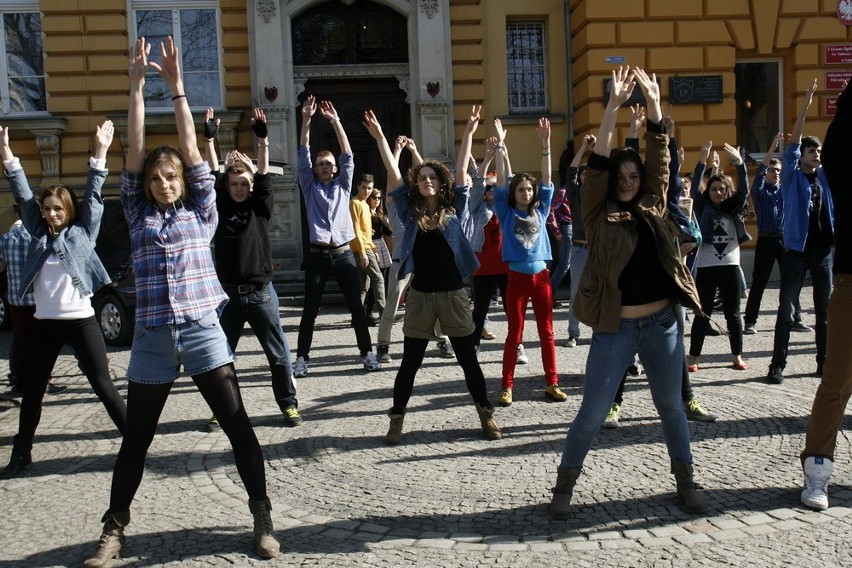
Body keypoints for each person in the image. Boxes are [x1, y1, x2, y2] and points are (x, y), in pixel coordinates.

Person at [84, 37, 279, 566]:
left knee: (238, 424)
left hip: (202, 330)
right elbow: (134, 148)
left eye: (171, 177)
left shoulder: (203, 209)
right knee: (137, 441)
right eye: (156, 178)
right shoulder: (138, 212)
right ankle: (114, 530)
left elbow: (193, 153)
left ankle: (260, 515)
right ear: (145, 185)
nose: (165, 182)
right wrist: (135, 86)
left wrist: (176, 89)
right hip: (150, 338)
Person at [550, 67, 707, 519]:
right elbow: (597, 164)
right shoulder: (597, 212)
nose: (627, 180)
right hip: (616, 327)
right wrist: (613, 109)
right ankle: (564, 486)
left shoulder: (655, 204)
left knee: (672, 408)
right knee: (593, 411)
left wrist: (655, 108)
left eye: (632, 174)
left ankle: (686, 481)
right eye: (621, 175)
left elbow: (661, 159)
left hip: (663, 325)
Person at [363, 106, 501, 444]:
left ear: (441, 182)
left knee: (468, 361)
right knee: (410, 363)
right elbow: (393, 174)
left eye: (432, 177)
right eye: (422, 177)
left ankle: (486, 415)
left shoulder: (455, 208)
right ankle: (396, 420)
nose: (427, 180)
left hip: (454, 296)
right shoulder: (409, 213)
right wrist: (381, 137)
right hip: (421, 297)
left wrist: (468, 133)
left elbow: (465, 170)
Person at [0, 121, 127, 480]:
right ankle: (21, 454)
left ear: (68, 209)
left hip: (81, 321)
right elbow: (23, 194)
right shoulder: (37, 233)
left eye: (58, 208)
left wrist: (100, 152)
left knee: (103, 385)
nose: (51, 213)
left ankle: (134, 444)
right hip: (45, 325)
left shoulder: (82, 231)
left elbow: (96, 194)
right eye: (47, 209)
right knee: (34, 392)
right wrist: (7, 155)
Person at [204, 108, 302, 428]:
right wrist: (210, 138)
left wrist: (262, 140)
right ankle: (223, 410)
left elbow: (261, 175)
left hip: (260, 293)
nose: (239, 188)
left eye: (243, 183)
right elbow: (211, 172)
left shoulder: (260, 206)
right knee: (222, 358)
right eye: (234, 183)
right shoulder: (221, 204)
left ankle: (288, 405)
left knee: (277, 356)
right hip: (229, 294)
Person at [294, 95, 381, 377]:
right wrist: (306, 120)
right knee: (310, 310)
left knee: (356, 307)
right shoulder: (309, 185)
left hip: (343, 254)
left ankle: (367, 354)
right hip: (318, 255)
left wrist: (336, 122)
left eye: (328, 164)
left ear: (335, 168)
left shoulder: (344, 185)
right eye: (320, 164)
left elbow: (348, 155)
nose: (324, 167)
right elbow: (302, 155)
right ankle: (302, 358)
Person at [798, 77, 851, 510]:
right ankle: (817, 473)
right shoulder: (844, 170)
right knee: (836, 382)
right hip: (851, 281)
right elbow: (837, 148)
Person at [492, 117, 567, 406]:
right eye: (521, 189)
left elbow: (548, 178)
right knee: (515, 333)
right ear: (514, 193)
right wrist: (501, 144)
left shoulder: (543, 207)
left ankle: (552, 382)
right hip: (517, 280)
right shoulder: (506, 210)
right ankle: (506, 386)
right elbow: (500, 180)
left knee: (547, 332)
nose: (526, 192)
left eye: (529, 189)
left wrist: (546, 144)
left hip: (542, 278)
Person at [767, 78, 835, 384]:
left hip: (823, 253)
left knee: (824, 313)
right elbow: (792, 145)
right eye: (811, 151)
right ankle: (777, 365)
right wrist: (806, 106)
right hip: (796, 251)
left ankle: (823, 362)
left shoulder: (825, 177)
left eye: (818, 151)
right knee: (786, 310)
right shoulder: (792, 177)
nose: (816, 155)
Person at [374, 135, 455, 363]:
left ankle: (443, 340)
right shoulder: (397, 206)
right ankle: (383, 345)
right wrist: (398, 151)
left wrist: (414, 150)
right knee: (392, 302)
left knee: (436, 300)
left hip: (424, 262)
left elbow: (427, 174)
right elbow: (392, 175)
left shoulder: (421, 210)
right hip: (401, 261)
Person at [687, 142, 751, 372]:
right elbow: (694, 190)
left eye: (722, 189)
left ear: (727, 191)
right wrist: (702, 161)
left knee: (733, 314)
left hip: (730, 267)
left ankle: (737, 356)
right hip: (707, 268)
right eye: (714, 189)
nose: (718, 193)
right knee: (702, 314)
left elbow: (744, 190)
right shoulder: (703, 208)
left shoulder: (734, 208)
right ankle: (693, 359)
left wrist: (740, 164)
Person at [0, 208, 69, 397]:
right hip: (40, 298)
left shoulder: (6, 239)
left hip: (16, 299)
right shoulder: (40, 238)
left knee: (21, 340)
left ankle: (20, 381)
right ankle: (44, 381)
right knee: (42, 344)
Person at [743, 133, 807, 335]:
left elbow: (795, 169)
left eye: (778, 170)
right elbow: (761, 168)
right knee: (759, 282)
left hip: (784, 240)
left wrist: (796, 142)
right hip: (766, 240)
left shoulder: (785, 190)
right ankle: (750, 321)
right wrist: (772, 147)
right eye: (772, 170)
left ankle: (795, 318)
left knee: (791, 280)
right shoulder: (761, 192)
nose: (775, 173)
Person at [563, 134, 595, 348]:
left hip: (598, 248)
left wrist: (597, 150)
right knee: (576, 292)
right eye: (583, 174)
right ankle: (573, 333)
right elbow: (570, 173)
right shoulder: (575, 194)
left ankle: (599, 331)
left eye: (589, 173)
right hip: (579, 248)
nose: (585, 176)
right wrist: (584, 148)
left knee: (599, 292)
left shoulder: (600, 194)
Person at [350, 173, 385, 326]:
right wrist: (364, 252)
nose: (367, 191)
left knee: (364, 284)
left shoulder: (365, 204)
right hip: (360, 248)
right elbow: (356, 228)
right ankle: (385, 314)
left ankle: (357, 317)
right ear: (358, 187)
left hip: (365, 246)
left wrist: (373, 249)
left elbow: (365, 230)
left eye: (369, 188)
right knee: (378, 278)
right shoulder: (355, 203)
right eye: (364, 187)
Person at [364, 187, 392, 318]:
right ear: (369, 199)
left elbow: (388, 233)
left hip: (381, 245)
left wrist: (388, 224)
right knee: (372, 281)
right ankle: (369, 311)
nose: (377, 200)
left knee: (383, 280)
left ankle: (381, 311)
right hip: (371, 246)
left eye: (379, 198)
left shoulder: (380, 214)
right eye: (374, 197)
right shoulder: (365, 213)